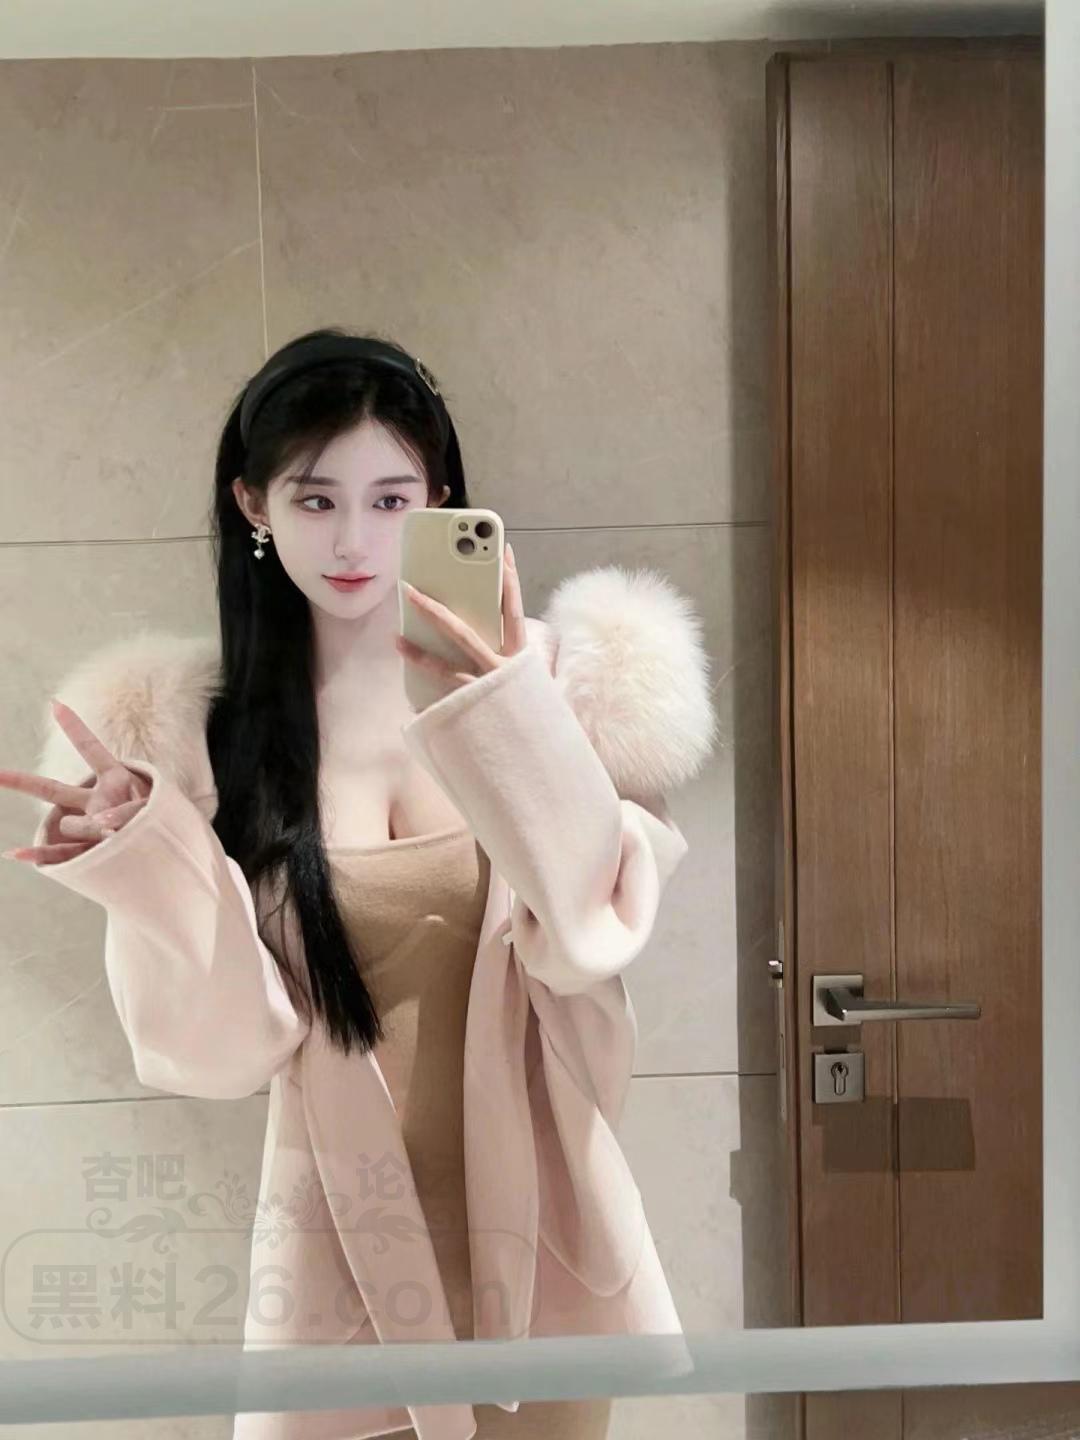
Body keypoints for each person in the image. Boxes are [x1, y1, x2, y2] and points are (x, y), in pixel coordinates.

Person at [0, 328, 717, 1440]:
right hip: (338, 1250)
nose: (352, 540)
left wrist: (512, 715)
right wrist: (148, 859)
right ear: (253, 504)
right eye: (316, 498)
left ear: (440, 502)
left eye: (391, 501)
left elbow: (586, 940)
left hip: (548, 1242)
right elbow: (221, 1053)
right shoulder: (205, 742)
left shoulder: (559, 693)